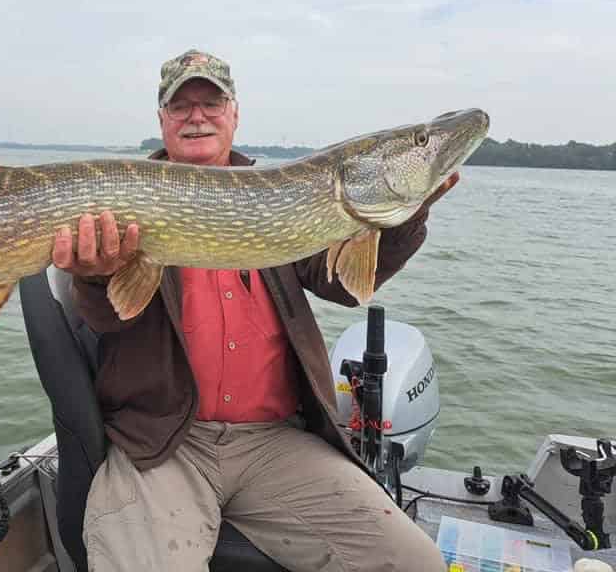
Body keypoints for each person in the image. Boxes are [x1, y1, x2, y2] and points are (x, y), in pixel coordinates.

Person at [51, 49, 454, 572]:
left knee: (416, 563)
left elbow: (343, 284)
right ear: (162, 121)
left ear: (234, 115)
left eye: (212, 102)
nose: (197, 116)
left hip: (277, 445)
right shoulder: (123, 203)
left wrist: (403, 217)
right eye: (181, 106)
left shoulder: (289, 196)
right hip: (165, 446)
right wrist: (95, 271)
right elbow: (103, 314)